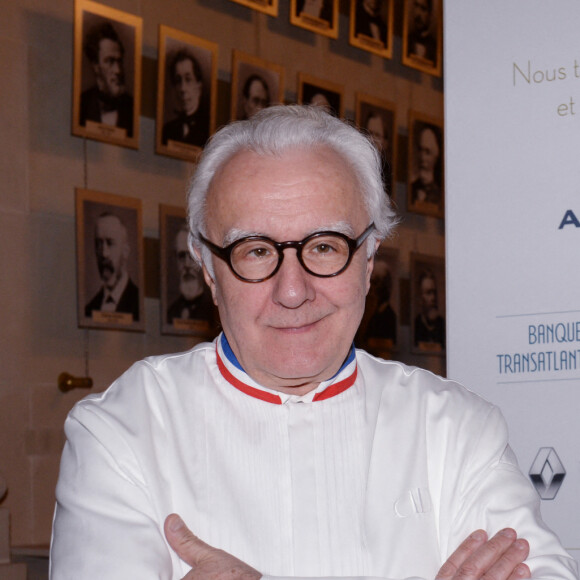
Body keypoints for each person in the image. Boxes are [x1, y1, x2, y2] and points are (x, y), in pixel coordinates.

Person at [52, 106, 578, 580]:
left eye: (324, 247)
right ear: (208, 269)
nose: (293, 291)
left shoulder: (457, 431)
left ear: (369, 261)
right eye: (256, 251)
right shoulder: (122, 434)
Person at [80, 21, 134, 136]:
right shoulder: (81, 105)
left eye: (119, 61)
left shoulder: (132, 109)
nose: (118, 70)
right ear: (96, 66)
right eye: (110, 61)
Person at [84, 211, 139, 321]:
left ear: (125, 251)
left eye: (110, 243)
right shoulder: (89, 309)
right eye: (98, 244)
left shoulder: (138, 304)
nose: (104, 253)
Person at [162, 48, 208, 148]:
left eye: (188, 79)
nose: (183, 89)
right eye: (178, 81)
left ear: (198, 86)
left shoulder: (208, 130)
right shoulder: (168, 130)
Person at [167, 225, 213, 324]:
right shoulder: (171, 312)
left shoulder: (215, 311)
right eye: (182, 256)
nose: (187, 264)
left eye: (192, 256)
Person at [410, 123, 442, 206]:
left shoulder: (442, 194)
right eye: (420, 150)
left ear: (437, 155)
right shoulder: (411, 189)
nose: (422, 157)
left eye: (428, 152)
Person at [413, 268, 445, 350]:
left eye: (434, 292)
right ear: (420, 298)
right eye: (428, 293)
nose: (433, 298)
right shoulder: (415, 326)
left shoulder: (442, 325)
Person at [364, 110, 392, 194]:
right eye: (370, 133)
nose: (372, 139)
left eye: (377, 135)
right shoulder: (355, 162)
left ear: (385, 142)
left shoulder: (388, 171)